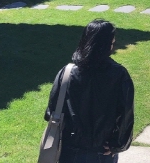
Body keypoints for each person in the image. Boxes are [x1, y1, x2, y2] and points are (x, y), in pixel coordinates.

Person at [45, 20, 134, 162]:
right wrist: (117, 145)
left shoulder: (67, 72)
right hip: (102, 150)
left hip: (70, 149)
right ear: (108, 44)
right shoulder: (119, 75)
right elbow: (125, 115)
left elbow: (51, 111)